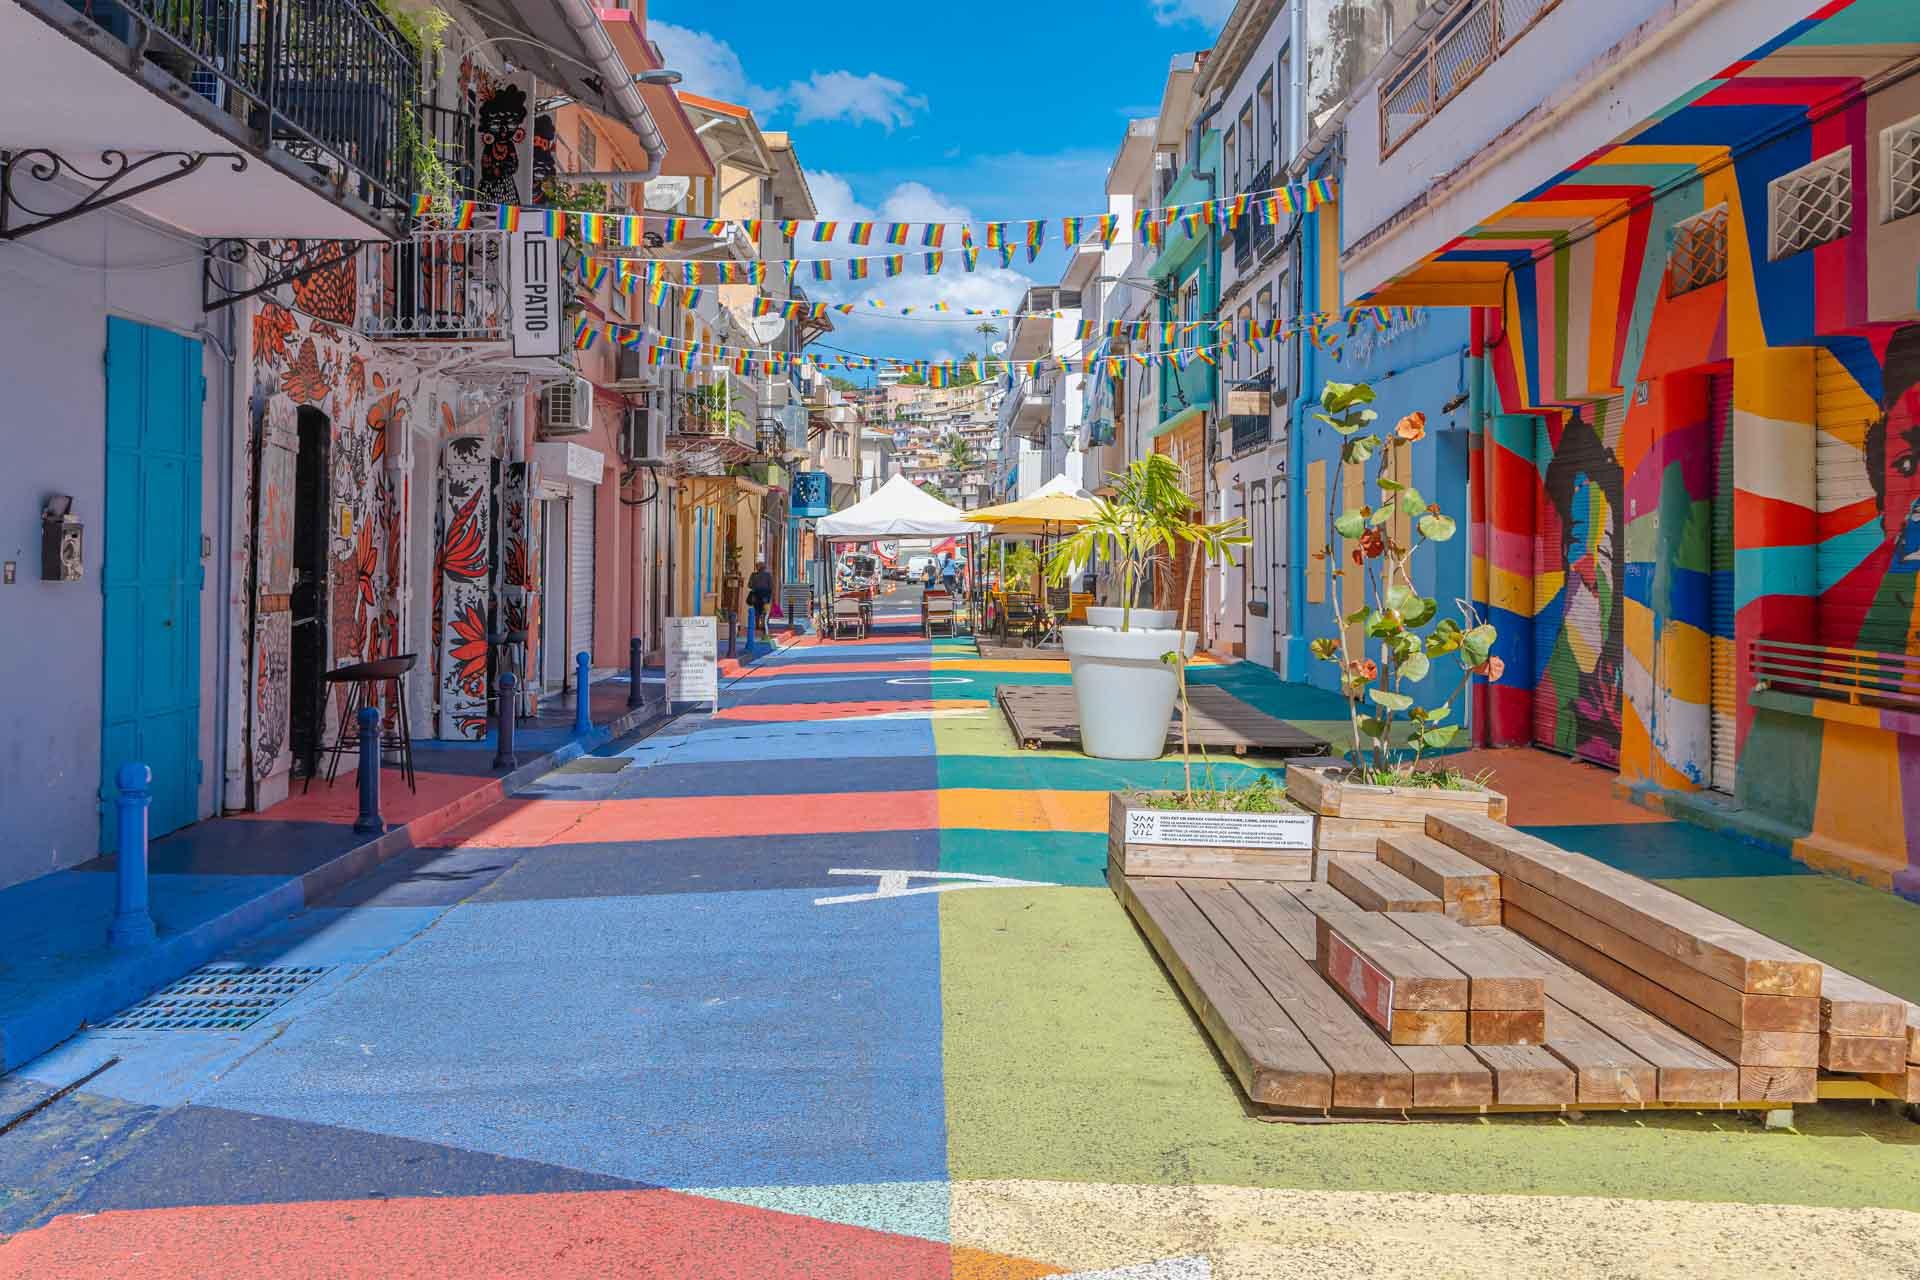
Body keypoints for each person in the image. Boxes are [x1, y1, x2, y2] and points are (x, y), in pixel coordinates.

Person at [746, 562, 773, 639]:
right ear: (764, 568)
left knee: (757, 610)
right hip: (765, 596)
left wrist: (755, 585)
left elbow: (749, 585)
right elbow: (771, 587)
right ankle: (764, 626)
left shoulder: (753, 575)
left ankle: (757, 625)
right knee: (765, 611)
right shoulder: (768, 575)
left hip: (756, 594)